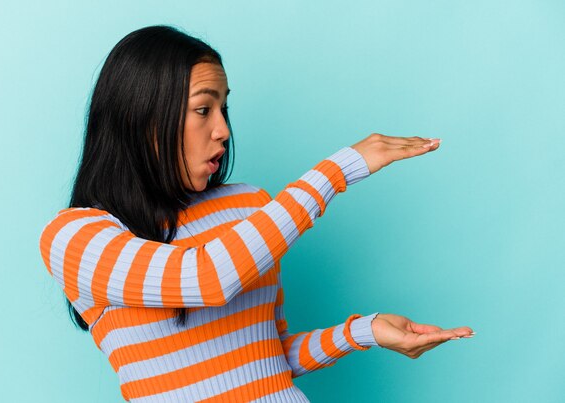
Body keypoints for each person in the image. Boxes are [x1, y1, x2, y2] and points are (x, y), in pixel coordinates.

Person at [38, 25, 473, 402]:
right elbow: (206, 279)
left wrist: (364, 332)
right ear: (142, 116)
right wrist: (335, 172)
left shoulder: (250, 205)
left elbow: (267, 355)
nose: (223, 129)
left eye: (224, 108)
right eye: (203, 109)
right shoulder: (76, 238)